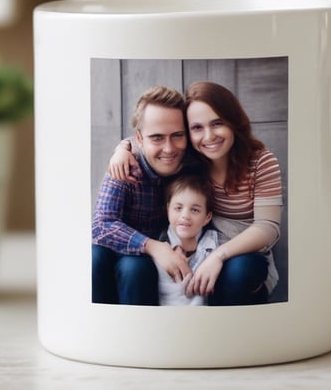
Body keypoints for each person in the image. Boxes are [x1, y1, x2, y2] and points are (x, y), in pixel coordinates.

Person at [109, 81, 284, 306]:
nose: (209, 136)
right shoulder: (190, 158)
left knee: (241, 270)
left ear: (234, 123)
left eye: (218, 123)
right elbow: (151, 136)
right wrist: (122, 149)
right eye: (197, 128)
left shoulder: (261, 161)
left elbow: (268, 228)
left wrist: (218, 256)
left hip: (242, 253)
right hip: (197, 250)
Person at [92, 86, 206, 305]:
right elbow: (101, 225)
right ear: (139, 138)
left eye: (177, 136)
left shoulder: (194, 165)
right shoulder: (126, 164)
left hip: (152, 258)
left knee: (135, 267)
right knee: (94, 257)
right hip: (119, 248)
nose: (169, 148)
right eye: (157, 138)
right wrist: (152, 246)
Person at [155, 171, 219, 306]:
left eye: (194, 210)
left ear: (207, 217)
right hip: (163, 317)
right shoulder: (159, 244)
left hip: (202, 318)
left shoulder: (213, 244)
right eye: (178, 208)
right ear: (168, 210)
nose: (185, 216)